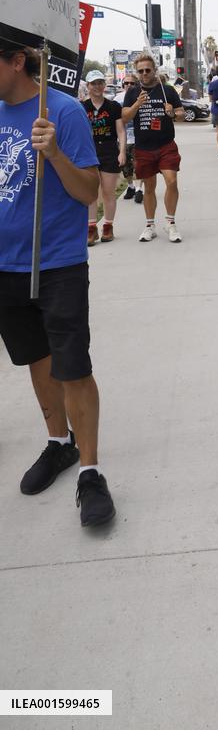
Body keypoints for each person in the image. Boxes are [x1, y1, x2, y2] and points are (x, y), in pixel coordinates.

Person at [0, 41, 116, 526]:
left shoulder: (63, 113)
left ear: (16, 61)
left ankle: (90, 471)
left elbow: (90, 191)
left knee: (72, 366)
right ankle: (59, 443)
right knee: (37, 359)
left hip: (58, 263)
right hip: (5, 266)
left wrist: (52, 155)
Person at [121, 54, 185, 243]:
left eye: (148, 70)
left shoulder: (167, 90)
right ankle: (150, 226)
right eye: (141, 71)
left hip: (166, 145)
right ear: (137, 73)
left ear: (154, 70)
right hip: (144, 148)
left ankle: (170, 223)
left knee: (171, 181)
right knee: (149, 187)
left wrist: (172, 112)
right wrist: (137, 105)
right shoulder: (133, 92)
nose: (144, 73)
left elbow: (181, 113)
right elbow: (125, 116)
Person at [82, 71, 126, 244]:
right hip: (89, 151)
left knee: (108, 192)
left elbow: (121, 132)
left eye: (100, 83)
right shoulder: (82, 107)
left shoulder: (113, 106)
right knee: (91, 193)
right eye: (94, 83)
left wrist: (122, 152)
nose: (97, 86)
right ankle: (91, 229)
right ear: (88, 86)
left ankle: (108, 226)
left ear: (104, 85)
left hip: (109, 150)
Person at [113, 75, 142, 202]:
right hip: (122, 138)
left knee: (138, 164)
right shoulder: (116, 100)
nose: (129, 85)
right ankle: (130, 186)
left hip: (138, 136)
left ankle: (138, 189)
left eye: (132, 83)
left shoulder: (140, 98)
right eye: (126, 83)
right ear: (122, 85)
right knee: (125, 166)